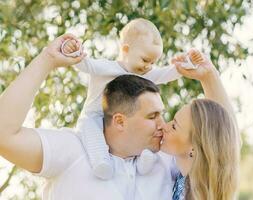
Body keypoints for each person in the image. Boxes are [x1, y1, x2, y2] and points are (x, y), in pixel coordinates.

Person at [0, 34, 179, 200]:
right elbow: (3, 135)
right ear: (120, 121)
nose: (163, 125)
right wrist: (48, 59)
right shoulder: (71, 149)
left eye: (161, 115)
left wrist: (207, 77)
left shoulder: (167, 162)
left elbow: (208, 156)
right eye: (152, 116)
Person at [60, 18, 197, 179]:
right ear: (126, 49)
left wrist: (186, 64)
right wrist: (71, 50)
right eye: (145, 60)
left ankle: (144, 161)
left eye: (153, 62)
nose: (149, 66)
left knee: (145, 130)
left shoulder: (143, 74)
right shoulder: (107, 68)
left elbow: (165, 74)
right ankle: (100, 161)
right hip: (94, 115)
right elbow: (85, 64)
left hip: (124, 125)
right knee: (91, 131)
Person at [160, 52, 241, 200]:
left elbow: (229, 139)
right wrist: (208, 75)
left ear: (194, 148)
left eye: (174, 126)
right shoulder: (177, 173)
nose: (164, 126)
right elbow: (227, 136)